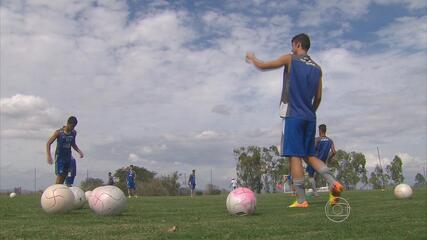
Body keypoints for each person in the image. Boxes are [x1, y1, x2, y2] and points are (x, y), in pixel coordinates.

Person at [246, 33, 344, 208]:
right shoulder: (317, 68)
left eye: (292, 45)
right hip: (310, 117)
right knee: (309, 154)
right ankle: (334, 183)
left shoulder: (291, 59)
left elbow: (264, 66)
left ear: (298, 44)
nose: (291, 48)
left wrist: (253, 58)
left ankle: (301, 200)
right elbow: (319, 97)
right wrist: (310, 111)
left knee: (294, 155)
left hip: (293, 115)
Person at [46, 116, 84, 185]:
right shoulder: (59, 133)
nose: (73, 128)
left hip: (68, 157)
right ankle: (55, 192)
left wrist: (79, 151)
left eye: (74, 126)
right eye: (72, 126)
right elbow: (48, 143)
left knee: (65, 175)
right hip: (60, 157)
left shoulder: (73, 133)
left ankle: (61, 192)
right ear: (68, 124)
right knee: (60, 176)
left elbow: (73, 144)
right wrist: (49, 156)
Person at [306, 124, 336, 197]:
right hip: (323, 162)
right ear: (325, 130)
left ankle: (315, 193)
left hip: (315, 160)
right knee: (324, 175)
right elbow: (334, 152)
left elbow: (313, 148)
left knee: (310, 175)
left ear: (319, 130)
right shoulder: (330, 140)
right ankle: (332, 188)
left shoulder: (317, 139)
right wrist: (328, 159)